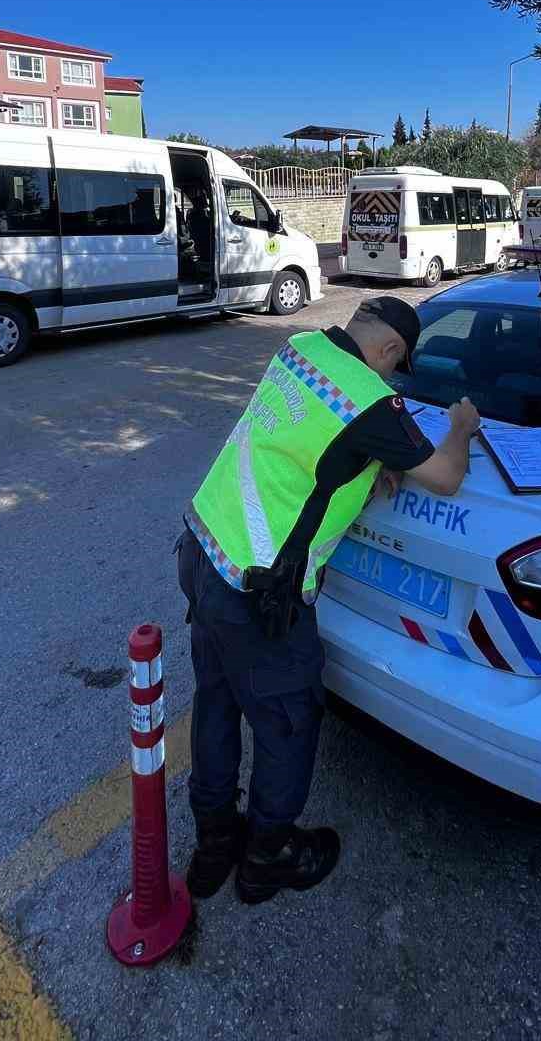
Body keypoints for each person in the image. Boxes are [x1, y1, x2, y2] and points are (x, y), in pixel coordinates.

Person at [176, 296, 481, 906]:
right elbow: (446, 476)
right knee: (288, 725)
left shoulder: (303, 349)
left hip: (203, 549)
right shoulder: (374, 400)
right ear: (392, 353)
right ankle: (267, 859)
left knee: (216, 701)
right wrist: (461, 427)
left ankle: (213, 844)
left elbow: (306, 451)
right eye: (395, 368)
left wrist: (367, 468)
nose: (392, 377)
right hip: (259, 595)